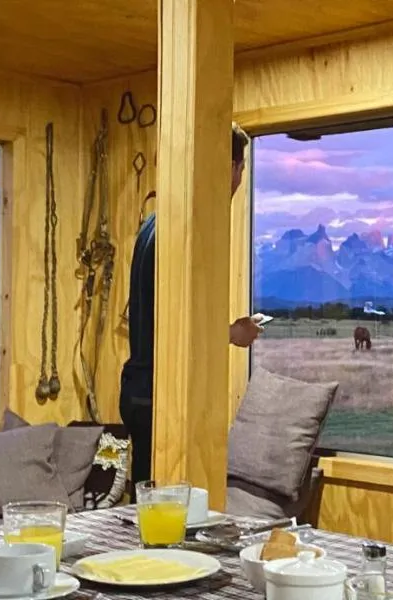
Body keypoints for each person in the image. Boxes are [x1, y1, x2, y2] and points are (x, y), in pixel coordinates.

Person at [120, 123, 263, 499]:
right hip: (168, 394)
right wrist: (234, 333)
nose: (240, 178)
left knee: (147, 504)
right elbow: (182, 326)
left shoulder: (155, 220)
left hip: (140, 387)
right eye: (240, 167)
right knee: (176, 510)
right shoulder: (194, 227)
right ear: (231, 167)